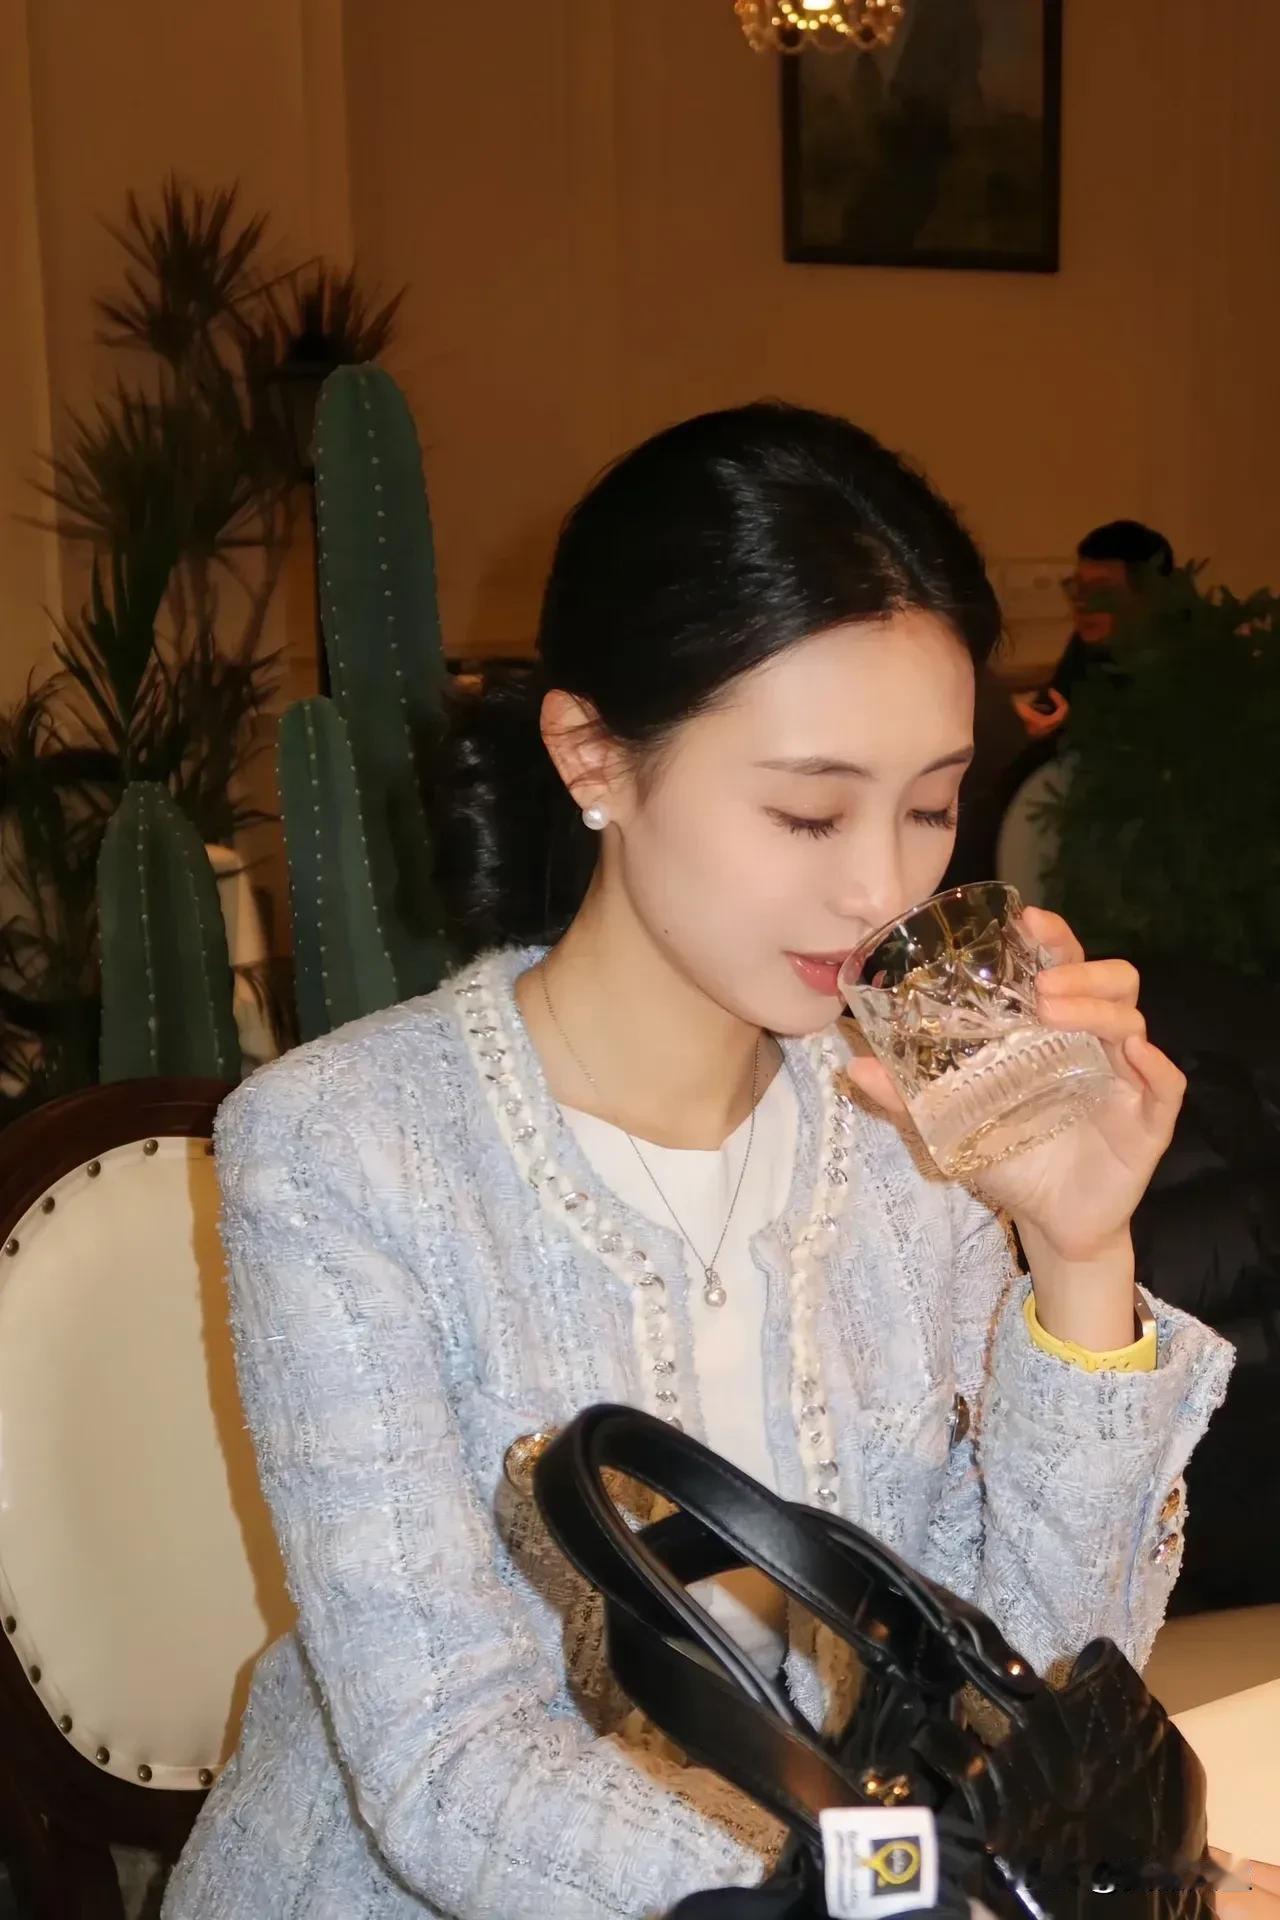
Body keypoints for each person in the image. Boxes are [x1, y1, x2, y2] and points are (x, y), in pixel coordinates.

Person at [163, 406, 1242, 1920]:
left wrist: (1079, 1259)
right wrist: (899, 1898)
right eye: (808, 810)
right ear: (593, 757)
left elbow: (1035, 1685)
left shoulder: (904, 1134)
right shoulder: (344, 1149)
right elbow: (451, 1771)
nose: (881, 887)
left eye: (931, 805)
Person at [1012, 518, 1175, 741]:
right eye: (1078, 588)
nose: (1082, 603)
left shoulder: (1186, 667)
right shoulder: (1087, 645)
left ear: (1149, 597)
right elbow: (1050, 707)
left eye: (1101, 591)